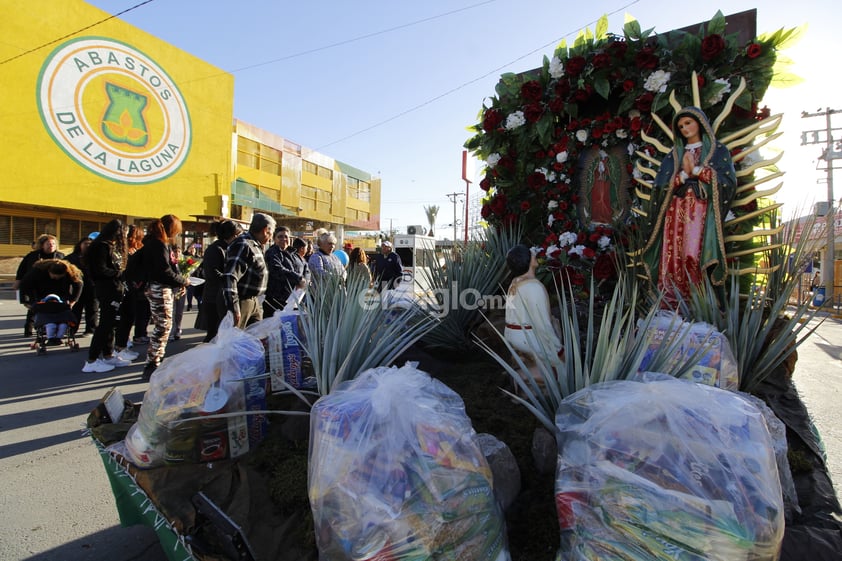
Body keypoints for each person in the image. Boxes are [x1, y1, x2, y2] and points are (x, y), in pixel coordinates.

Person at [641, 106, 736, 308]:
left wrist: (699, 171)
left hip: (701, 213)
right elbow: (660, 186)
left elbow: (727, 182)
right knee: (673, 256)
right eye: (681, 125)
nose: (685, 128)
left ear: (700, 123)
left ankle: (698, 304)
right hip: (675, 212)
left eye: (688, 123)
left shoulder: (718, 151)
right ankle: (669, 303)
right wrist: (682, 176)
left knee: (693, 255)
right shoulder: (674, 155)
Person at [140, 214, 190, 380]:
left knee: (164, 326)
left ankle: (154, 360)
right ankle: (152, 362)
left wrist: (179, 282)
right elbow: (164, 272)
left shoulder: (157, 243)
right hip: (159, 289)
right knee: (163, 326)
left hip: (159, 288)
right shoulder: (159, 245)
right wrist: (183, 281)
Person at [504, 245, 563, 382]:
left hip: (513, 335)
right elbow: (543, 324)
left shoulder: (515, 282)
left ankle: (528, 373)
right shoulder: (534, 287)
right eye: (531, 254)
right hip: (527, 338)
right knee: (563, 368)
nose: (534, 255)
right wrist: (558, 350)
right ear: (527, 260)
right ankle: (521, 376)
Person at [82, 219, 130, 373]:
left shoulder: (109, 245)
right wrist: (120, 274)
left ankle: (108, 354)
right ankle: (92, 359)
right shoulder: (101, 246)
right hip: (106, 288)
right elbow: (100, 269)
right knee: (105, 324)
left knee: (110, 324)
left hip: (114, 288)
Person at [222, 212, 275, 328]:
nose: (271, 238)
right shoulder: (244, 244)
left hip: (255, 300)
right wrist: (234, 307)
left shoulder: (256, 245)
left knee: (255, 339)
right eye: (271, 233)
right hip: (243, 301)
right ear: (265, 230)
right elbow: (230, 276)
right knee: (236, 341)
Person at [196, 219, 242, 342]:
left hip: (223, 297)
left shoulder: (229, 248)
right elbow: (212, 273)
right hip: (214, 297)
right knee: (214, 334)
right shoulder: (215, 249)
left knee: (222, 334)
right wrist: (230, 279)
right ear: (234, 235)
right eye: (239, 235)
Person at [18, 259, 83, 344]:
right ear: (49, 271)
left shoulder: (70, 271)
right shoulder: (38, 271)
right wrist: (25, 301)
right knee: (40, 311)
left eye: (59, 276)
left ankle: (59, 333)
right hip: (42, 294)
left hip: (61, 295)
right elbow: (24, 284)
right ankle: (42, 329)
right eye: (54, 276)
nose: (55, 278)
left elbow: (78, 284)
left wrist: (73, 300)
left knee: (63, 315)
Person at [14, 234, 65, 337]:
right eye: (48, 244)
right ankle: (28, 329)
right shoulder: (33, 256)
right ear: (42, 245)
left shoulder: (61, 256)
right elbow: (22, 270)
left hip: (53, 286)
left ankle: (48, 329)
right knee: (34, 308)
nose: (51, 246)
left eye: (53, 244)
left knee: (52, 307)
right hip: (35, 285)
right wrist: (18, 281)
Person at [113, 224, 147, 361]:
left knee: (130, 316)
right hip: (125, 286)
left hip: (133, 286)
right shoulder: (121, 250)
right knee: (123, 317)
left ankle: (123, 344)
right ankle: (119, 346)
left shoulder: (136, 249)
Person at [264, 226, 308, 317]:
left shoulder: (294, 254)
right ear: (274, 239)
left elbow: (306, 269)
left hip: (295, 298)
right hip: (277, 300)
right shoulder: (272, 253)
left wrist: (305, 280)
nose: (283, 239)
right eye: (280, 236)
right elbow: (277, 270)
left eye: (286, 237)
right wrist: (298, 279)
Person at [65, 236, 98, 336]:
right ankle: (72, 329)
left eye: (90, 244)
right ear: (80, 245)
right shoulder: (71, 258)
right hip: (76, 288)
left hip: (92, 287)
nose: (87, 246)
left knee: (92, 309)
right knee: (75, 309)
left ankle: (90, 329)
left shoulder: (96, 257)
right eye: (85, 244)